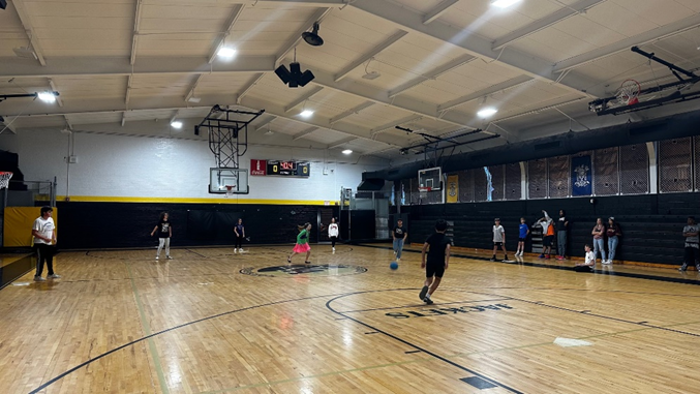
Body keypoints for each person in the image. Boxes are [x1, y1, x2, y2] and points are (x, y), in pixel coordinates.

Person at [419, 219, 451, 305]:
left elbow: (424, 248)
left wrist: (423, 260)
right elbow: (448, 249)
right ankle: (428, 296)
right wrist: (446, 261)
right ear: (445, 229)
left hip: (430, 260)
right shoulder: (446, 239)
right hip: (440, 261)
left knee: (429, 279)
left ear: (435, 228)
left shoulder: (431, 237)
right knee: (438, 279)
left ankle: (426, 286)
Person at [32, 206, 60, 281]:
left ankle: (50, 273)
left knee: (49, 259)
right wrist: (44, 238)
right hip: (40, 243)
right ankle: (37, 275)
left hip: (49, 243)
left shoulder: (51, 220)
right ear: (44, 213)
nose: (51, 213)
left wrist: (54, 238)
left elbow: (52, 230)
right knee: (41, 259)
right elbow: (34, 232)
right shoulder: (38, 221)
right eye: (49, 212)